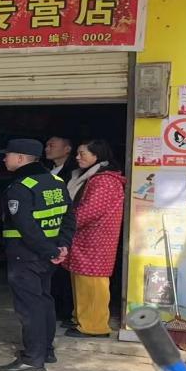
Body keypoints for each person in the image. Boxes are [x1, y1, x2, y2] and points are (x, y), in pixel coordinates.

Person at [0, 139, 75, 371]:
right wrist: (61, 247)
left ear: (20, 158)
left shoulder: (20, 187)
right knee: (44, 301)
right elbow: (69, 217)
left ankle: (33, 360)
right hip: (49, 255)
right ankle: (46, 351)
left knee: (30, 307)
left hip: (26, 255)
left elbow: (26, 227)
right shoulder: (56, 182)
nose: (4, 159)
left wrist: (50, 251)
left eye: (8, 155)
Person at [63, 140, 126, 339]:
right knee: (82, 281)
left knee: (92, 283)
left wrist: (65, 223)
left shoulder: (104, 180)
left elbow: (89, 211)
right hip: (87, 239)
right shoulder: (94, 177)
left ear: (97, 155)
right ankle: (82, 319)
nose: (77, 157)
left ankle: (94, 327)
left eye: (82, 153)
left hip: (96, 240)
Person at [44, 135, 78, 326]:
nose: (47, 148)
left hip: (63, 227)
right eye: (47, 145)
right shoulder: (47, 170)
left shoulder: (73, 172)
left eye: (52, 145)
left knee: (64, 272)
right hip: (49, 227)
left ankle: (66, 310)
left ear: (67, 149)